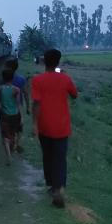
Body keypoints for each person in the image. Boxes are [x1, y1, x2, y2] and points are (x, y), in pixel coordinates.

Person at [31, 49, 78, 208]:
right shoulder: (65, 78)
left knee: (48, 156)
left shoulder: (37, 80)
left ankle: (52, 185)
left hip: (44, 125)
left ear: (44, 62)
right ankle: (60, 187)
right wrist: (64, 78)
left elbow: (36, 103)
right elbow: (75, 94)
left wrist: (34, 124)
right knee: (60, 158)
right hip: (62, 126)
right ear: (58, 62)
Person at [0, 68, 22, 165]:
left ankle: (9, 156)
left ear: (3, 77)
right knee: (13, 134)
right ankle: (12, 148)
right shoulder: (16, 89)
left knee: (5, 136)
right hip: (15, 114)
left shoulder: (0, 89)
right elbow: (18, 104)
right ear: (12, 78)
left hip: (4, 114)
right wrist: (20, 117)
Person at [5, 58, 29, 153]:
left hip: (5, 108)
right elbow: (26, 94)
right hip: (18, 108)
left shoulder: (4, 79)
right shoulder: (21, 79)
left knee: (7, 127)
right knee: (18, 127)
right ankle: (16, 143)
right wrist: (27, 107)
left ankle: (9, 141)